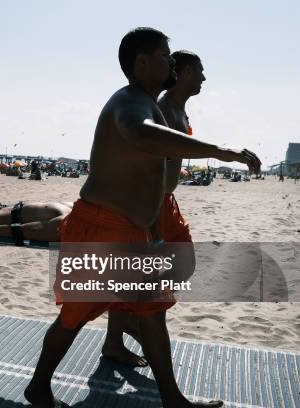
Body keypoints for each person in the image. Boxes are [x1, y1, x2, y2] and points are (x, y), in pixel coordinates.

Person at [23, 27, 260, 408]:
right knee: (74, 318)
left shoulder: (148, 102)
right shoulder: (129, 102)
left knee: (153, 312)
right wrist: (219, 150)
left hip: (132, 229)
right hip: (101, 227)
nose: (171, 62)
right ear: (142, 63)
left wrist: (154, 233)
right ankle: (38, 387)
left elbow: (152, 184)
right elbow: (140, 133)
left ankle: (171, 398)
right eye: (165, 56)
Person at [101, 50, 207, 368]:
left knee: (177, 267)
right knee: (146, 277)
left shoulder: (178, 109)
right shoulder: (161, 108)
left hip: (166, 202)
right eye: (199, 71)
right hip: (154, 203)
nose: (204, 77)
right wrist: (151, 220)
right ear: (185, 72)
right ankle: (124, 331)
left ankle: (118, 334)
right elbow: (148, 161)